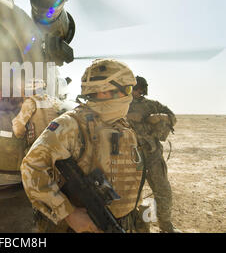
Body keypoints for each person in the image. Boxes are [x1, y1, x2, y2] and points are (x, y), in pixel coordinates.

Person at [21, 59, 149, 233]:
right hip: (83, 226)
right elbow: (32, 167)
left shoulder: (121, 124)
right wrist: (69, 213)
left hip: (124, 222)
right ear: (105, 91)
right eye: (127, 90)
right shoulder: (71, 124)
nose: (130, 96)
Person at [127, 76, 180, 233]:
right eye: (130, 88)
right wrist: (129, 117)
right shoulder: (120, 105)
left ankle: (166, 226)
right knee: (130, 195)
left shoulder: (151, 105)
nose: (133, 92)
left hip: (152, 155)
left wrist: (159, 117)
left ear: (141, 90)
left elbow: (172, 117)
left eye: (135, 89)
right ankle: (136, 226)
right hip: (129, 157)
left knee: (163, 190)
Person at [12, 78, 63, 147]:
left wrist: (23, 136)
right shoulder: (55, 101)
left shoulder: (31, 102)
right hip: (56, 146)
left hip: (39, 147)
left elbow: (18, 128)